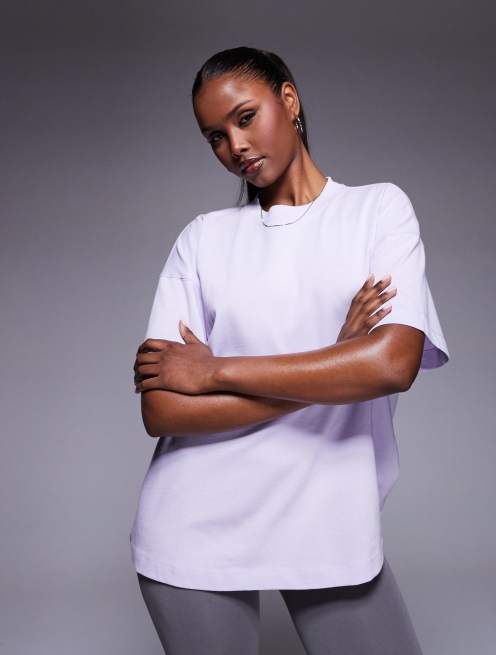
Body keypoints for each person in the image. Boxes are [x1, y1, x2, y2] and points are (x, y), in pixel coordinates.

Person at [130, 46, 450, 654]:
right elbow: (162, 410)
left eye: (245, 117)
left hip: (330, 523)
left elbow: (391, 364)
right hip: (196, 528)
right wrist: (337, 361)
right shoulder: (203, 240)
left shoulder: (377, 210)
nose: (235, 146)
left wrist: (214, 372)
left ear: (289, 99)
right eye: (215, 137)